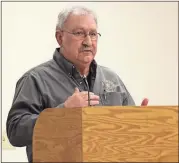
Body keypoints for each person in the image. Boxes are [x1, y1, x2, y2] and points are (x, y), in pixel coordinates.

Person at [6, 6, 148, 162]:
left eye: (93, 34)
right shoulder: (35, 79)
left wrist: (139, 122)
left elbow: (128, 132)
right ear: (60, 37)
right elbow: (15, 132)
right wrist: (62, 113)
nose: (88, 42)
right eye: (79, 33)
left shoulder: (112, 78)